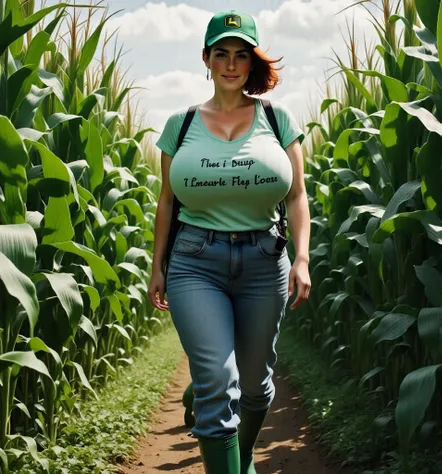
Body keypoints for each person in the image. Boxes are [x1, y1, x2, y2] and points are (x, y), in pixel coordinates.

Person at [148, 9, 311, 474]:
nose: (232, 63)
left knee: (256, 389)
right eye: (222, 53)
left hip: (264, 258)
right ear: (207, 58)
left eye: (242, 54)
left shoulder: (277, 119)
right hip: (195, 261)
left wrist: (301, 258)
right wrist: (157, 265)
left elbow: (298, 196)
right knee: (218, 384)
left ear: (253, 63)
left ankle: (239, 459)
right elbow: (166, 203)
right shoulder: (180, 125)